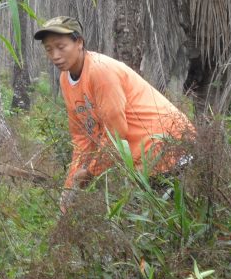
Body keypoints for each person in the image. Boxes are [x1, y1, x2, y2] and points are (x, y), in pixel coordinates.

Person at [33, 16, 194, 212]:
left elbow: (116, 134)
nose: (55, 55)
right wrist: (70, 187)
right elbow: (82, 137)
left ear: (79, 43)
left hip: (170, 147)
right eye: (49, 49)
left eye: (61, 46)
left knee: (166, 225)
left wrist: (90, 173)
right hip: (142, 158)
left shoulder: (101, 71)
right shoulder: (66, 80)